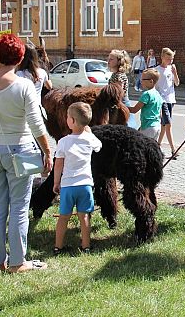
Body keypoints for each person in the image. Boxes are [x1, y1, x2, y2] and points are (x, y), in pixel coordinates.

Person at [0, 34, 52, 273]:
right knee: (18, 207)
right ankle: (17, 261)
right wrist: (47, 151)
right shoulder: (24, 85)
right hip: (20, 150)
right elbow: (36, 124)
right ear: (21, 57)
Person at [53, 102, 102, 254]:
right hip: (85, 185)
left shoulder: (63, 142)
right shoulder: (89, 139)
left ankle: (58, 247)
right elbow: (98, 146)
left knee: (63, 217)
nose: (66, 118)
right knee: (84, 216)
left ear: (72, 121)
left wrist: (56, 182)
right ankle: (86, 246)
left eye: (68, 116)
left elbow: (58, 164)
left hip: (68, 185)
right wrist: (89, 132)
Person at [156, 48, 180, 158]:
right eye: (168, 59)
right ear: (162, 58)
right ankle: (173, 150)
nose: (170, 61)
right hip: (163, 100)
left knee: (164, 126)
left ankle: (157, 146)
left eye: (171, 59)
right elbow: (155, 87)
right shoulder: (157, 70)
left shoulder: (172, 68)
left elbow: (177, 83)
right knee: (168, 124)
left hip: (171, 99)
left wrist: (175, 73)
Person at [128, 68, 163, 140]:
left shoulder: (147, 94)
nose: (141, 81)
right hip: (157, 126)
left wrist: (121, 107)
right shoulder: (157, 94)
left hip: (148, 127)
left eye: (143, 79)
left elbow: (134, 110)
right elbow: (160, 113)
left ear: (151, 81)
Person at [108, 49, 138, 129]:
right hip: (121, 103)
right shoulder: (116, 74)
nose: (108, 61)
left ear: (118, 62)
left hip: (121, 104)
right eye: (108, 59)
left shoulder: (119, 76)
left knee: (126, 127)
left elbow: (118, 94)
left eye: (111, 59)